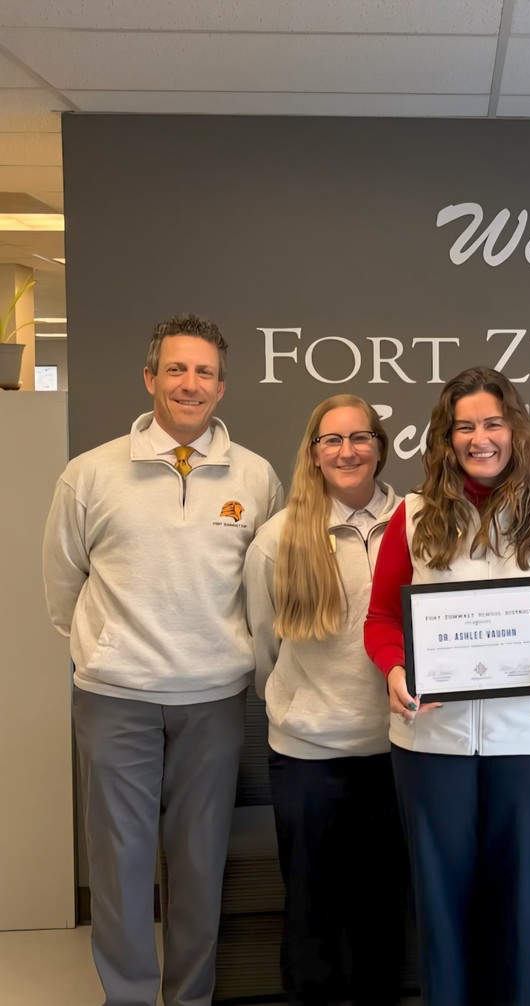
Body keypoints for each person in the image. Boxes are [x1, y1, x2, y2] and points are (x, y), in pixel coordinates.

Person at [42, 313, 283, 1006]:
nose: (190, 383)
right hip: (116, 696)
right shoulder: (89, 474)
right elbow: (63, 587)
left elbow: (264, 588)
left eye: (204, 371)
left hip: (212, 698)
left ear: (222, 386)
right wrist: (107, 650)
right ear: (150, 378)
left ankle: (190, 998)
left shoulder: (256, 475)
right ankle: (127, 998)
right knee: (119, 866)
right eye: (176, 369)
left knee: (200, 865)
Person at [364, 366, 530, 1006]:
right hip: (431, 739)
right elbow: (383, 618)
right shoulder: (411, 516)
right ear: (445, 438)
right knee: (439, 900)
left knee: (518, 898)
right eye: (464, 426)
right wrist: (394, 668)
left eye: (492, 423)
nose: (480, 438)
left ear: (515, 430)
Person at [243, 395, 406, 1006]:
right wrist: (299, 709)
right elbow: (264, 647)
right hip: (308, 754)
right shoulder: (277, 538)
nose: (347, 451)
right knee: (312, 909)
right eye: (331, 440)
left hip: (398, 749)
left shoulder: (419, 524)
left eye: (360, 438)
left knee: (384, 908)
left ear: (380, 447)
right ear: (313, 453)